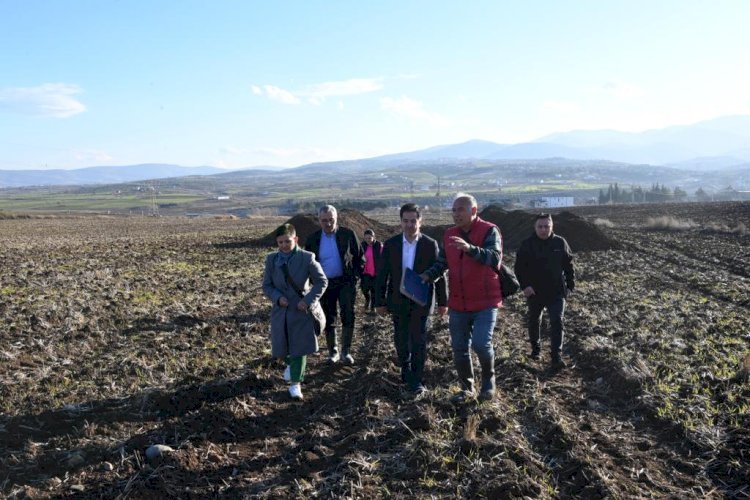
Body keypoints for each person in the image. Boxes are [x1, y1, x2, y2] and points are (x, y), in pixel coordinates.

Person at [421, 193, 503, 401]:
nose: (456, 214)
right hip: (458, 302)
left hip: (485, 301)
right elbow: (442, 263)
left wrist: (470, 249)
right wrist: (428, 276)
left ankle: (488, 380)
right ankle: (467, 387)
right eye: (454, 210)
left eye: (461, 210)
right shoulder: (449, 235)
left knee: (481, 344)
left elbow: (495, 258)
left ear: (474, 211)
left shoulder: (489, 230)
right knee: (459, 348)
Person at [375, 203, 447, 395]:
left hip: (421, 301)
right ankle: (405, 367)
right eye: (405, 221)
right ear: (400, 222)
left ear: (420, 222)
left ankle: (416, 379)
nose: (409, 225)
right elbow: (382, 274)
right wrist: (379, 301)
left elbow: (440, 274)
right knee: (400, 338)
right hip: (398, 300)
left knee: (419, 339)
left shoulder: (429, 245)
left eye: (413, 221)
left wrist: (443, 302)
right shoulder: (391, 245)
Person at [262, 223, 328, 400]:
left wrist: (306, 301)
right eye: (280, 242)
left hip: (301, 312)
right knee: (282, 349)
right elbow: (266, 285)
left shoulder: (307, 258)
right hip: (280, 312)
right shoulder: (271, 260)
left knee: (299, 349)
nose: (284, 245)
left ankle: (295, 384)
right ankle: (290, 366)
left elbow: (322, 282)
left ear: (296, 239)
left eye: (287, 241)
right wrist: (277, 297)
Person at [514, 213, 575, 369]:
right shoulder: (527, 244)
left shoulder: (560, 243)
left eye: (546, 226)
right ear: (535, 227)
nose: (543, 229)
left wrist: (570, 285)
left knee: (557, 321)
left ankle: (556, 356)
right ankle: (536, 349)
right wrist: (525, 286)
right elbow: (519, 268)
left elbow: (568, 265)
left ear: (552, 226)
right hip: (535, 292)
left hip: (557, 292)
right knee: (534, 320)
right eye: (540, 226)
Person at [304, 205, 364, 364]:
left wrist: (355, 277)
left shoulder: (348, 234)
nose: (328, 223)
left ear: (336, 219)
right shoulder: (313, 239)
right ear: (319, 220)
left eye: (331, 220)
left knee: (348, 314)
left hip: (345, 282)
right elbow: (308, 265)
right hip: (324, 285)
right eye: (324, 220)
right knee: (329, 316)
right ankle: (333, 352)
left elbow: (360, 258)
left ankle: (346, 351)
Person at [360, 229, 383, 313]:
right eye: (366, 238)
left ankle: (373, 308)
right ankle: (367, 299)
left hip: (375, 272)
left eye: (370, 238)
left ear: (373, 237)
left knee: (374, 290)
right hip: (365, 272)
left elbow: (384, 258)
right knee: (364, 289)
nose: (368, 240)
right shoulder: (362, 245)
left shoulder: (379, 246)